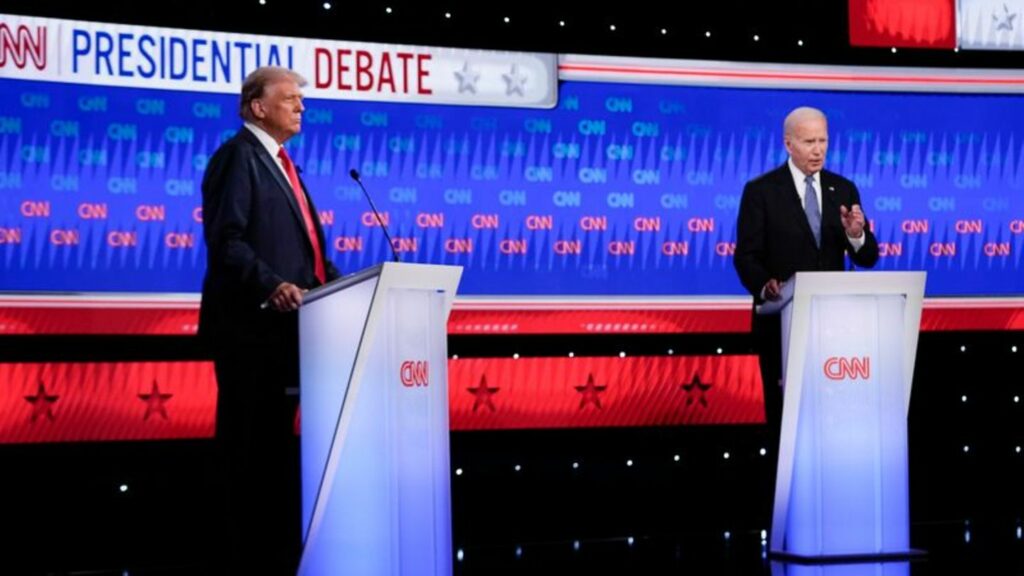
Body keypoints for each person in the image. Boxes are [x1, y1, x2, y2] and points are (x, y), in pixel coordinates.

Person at [199, 66, 340, 574]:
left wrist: (344, 285)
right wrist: (271, 284)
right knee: (248, 455)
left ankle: (275, 555)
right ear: (258, 107)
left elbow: (307, 254)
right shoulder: (238, 158)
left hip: (289, 334)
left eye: (302, 99)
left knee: (275, 457)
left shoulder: (284, 164)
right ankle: (243, 560)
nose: (301, 107)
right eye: (291, 99)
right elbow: (227, 240)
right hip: (251, 334)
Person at [734, 106, 879, 432]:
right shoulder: (761, 192)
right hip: (780, 328)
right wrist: (766, 285)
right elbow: (746, 256)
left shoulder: (843, 188)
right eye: (809, 141)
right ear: (789, 144)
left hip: (835, 327)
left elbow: (867, 257)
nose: (818, 150)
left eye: (823, 141)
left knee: (832, 421)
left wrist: (856, 235)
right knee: (785, 424)